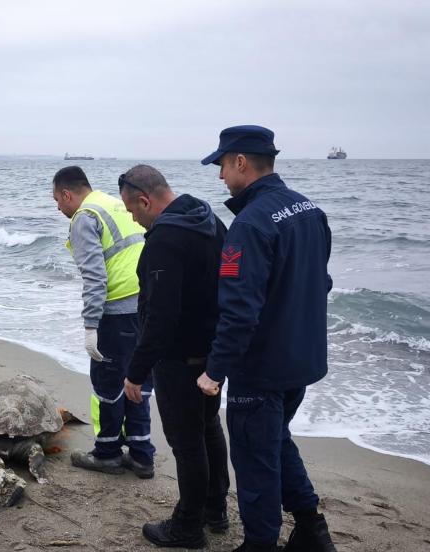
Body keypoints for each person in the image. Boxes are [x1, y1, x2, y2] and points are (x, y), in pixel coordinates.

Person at [197, 126, 336, 552]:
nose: (220, 176)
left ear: (240, 162)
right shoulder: (308, 209)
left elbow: (239, 311)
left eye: (222, 164)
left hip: (261, 368)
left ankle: (260, 544)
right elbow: (322, 282)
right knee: (274, 441)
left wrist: (214, 371)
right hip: (302, 360)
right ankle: (312, 530)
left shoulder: (251, 224)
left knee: (255, 460)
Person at [119, 165, 231, 549]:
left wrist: (136, 371)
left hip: (180, 358)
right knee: (209, 428)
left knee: (187, 443)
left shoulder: (165, 239)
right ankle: (216, 510)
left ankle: (188, 527)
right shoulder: (207, 217)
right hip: (211, 353)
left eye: (133, 211)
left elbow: (160, 316)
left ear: (145, 200)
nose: (134, 219)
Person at [51, 165, 156, 477]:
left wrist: (91, 326)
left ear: (68, 194)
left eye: (57, 200)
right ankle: (141, 456)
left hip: (116, 313)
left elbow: (95, 276)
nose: (58, 208)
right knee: (138, 383)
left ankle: (107, 452)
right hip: (146, 306)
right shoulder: (114, 204)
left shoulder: (86, 216)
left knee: (107, 385)